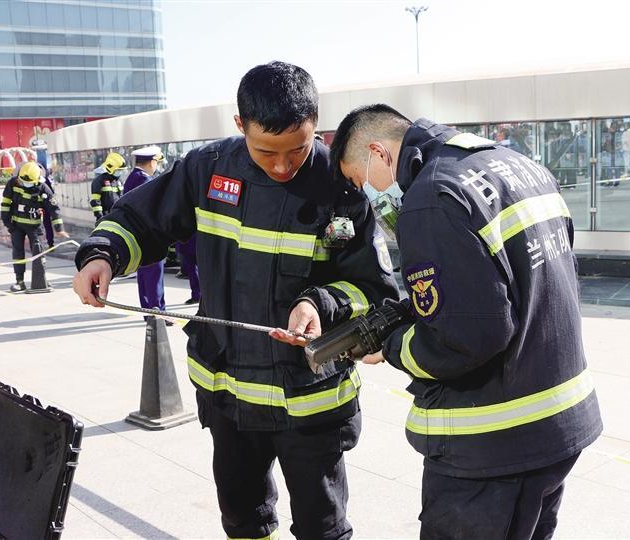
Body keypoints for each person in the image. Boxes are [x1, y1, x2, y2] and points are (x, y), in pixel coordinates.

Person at [72, 61, 398, 540]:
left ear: (315, 124)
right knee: (244, 522)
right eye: (267, 151)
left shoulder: (341, 183)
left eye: (298, 149)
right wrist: (104, 255)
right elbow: (142, 219)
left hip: (311, 403)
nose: (283, 166)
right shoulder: (207, 169)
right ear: (240, 124)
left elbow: (375, 291)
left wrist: (319, 305)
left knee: (322, 528)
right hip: (229, 397)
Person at [329, 104, 603, 539]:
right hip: (559, 423)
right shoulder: (516, 165)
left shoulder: (431, 198)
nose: (371, 197)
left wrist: (394, 346)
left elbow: (464, 339)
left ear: (378, 153)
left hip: (494, 445)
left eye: (363, 182)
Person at [1, 161, 69, 292]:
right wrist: (7, 223)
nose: (25, 184)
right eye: (23, 181)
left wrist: (59, 229)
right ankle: (19, 281)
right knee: (18, 252)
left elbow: (54, 209)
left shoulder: (43, 189)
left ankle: (41, 280)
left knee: (38, 253)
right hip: (16, 225)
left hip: (34, 226)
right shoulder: (13, 183)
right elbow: (5, 203)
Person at [122, 146, 168, 315]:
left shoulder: (132, 177)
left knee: (144, 277)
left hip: (138, 236)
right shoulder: (145, 180)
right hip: (150, 236)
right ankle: (158, 313)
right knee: (154, 277)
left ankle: (149, 312)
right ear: (151, 162)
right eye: (157, 162)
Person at [89, 152, 126, 220]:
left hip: (119, 216)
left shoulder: (118, 181)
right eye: (118, 170)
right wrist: (100, 217)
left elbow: (122, 197)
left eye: (121, 170)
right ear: (110, 168)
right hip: (106, 216)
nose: (120, 172)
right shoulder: (99, 181)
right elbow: (95, 201)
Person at [175, 234, 201, 304]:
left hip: (189, 239)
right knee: (193, 269)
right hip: (191, 239)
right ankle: (197, 296)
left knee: (192, 269)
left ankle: (197, 296)